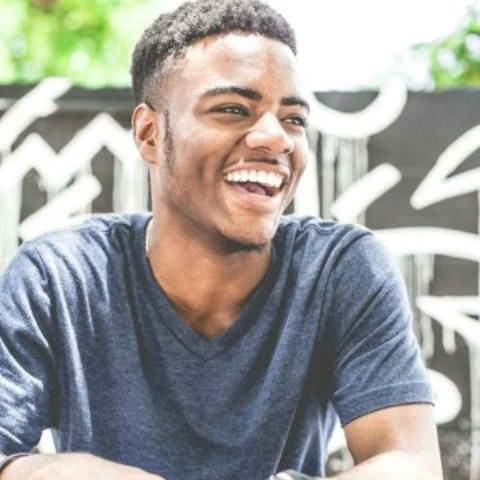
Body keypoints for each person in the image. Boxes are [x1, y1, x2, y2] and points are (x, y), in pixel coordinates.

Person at [0, 0, 442, 479]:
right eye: (233, 109)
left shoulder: (339, 269)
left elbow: (410, 464)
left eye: (294, 119)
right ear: (149, 134)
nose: (276, 138)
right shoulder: (58, 277)